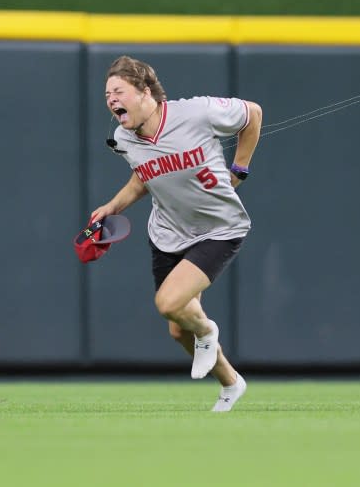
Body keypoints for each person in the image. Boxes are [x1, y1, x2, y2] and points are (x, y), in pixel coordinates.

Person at [91, 55, 262, 412]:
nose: (111, 100)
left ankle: (206, 331)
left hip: (219, 228)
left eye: (118, 91)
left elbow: (253, 114)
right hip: (168, 233)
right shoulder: (124, 137)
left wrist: (239, 169)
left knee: (169, 304)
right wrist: (112, 207)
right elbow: (144, 176)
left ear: (145, 92)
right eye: (107, 94)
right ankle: (231, 383)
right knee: (177, 328)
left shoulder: (196, 113)